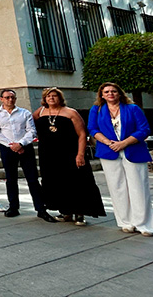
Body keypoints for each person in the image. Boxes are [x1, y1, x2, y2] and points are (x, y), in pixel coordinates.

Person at [88, 82, 153, 236]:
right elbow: (92, 129)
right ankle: (126, 222)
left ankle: (144, 225)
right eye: (106, 92)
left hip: (133, 150)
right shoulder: (96, 110)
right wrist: (108, 142)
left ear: (119, 93)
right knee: (117, 187)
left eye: (113, 91)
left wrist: (124, 143)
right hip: (109, 151)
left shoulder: (133, 108)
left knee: (138, 187)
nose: (110, 94)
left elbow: (144, 129)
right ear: (102, 95)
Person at [34, 87, 105, 226]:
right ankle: (65, 211)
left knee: (76, 182)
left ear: (60, 98)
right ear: (44, 99)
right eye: (48, 96)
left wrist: (80, 154)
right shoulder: (40, 112)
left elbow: (82, 134)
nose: (51, 98)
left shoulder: (71, 112)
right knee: (57, 182)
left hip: (69, 153)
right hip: (49, 155)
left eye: (54, 96)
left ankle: (80, 213)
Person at [0, 89, 57, 222]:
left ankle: (41, 209)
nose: (10, 100)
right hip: (7, 148)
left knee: (32, 179)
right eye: (7, 97)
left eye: (13, 97)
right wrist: (12, 145)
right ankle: (13, 207)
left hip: (25, 148)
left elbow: (31, 131)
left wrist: (20, 144)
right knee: (11, 179)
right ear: (1, 99)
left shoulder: (24, 113)